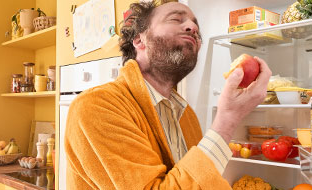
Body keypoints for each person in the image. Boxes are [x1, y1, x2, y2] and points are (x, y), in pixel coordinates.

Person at [64, 0, 271, 189]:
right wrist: (227, 120)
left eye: (196, 27)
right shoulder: (96, 107)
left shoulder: (186, 114)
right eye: (176, 19)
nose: (193, 28)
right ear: (139, 40)